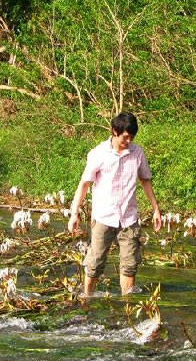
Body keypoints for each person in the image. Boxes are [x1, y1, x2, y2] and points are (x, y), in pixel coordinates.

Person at [67, 112, 162, 296]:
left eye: (132, 137)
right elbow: (84, 184)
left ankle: (127, 304)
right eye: (125, 137)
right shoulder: (98, 154)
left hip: (129, 218)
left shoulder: (137, 153)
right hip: (104, 216)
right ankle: (87, 297)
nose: (129, 141)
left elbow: (145, 181)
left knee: (130, 264)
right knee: (95, 262)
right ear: (114, 131)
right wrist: (74, 213)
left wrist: (155, 209)